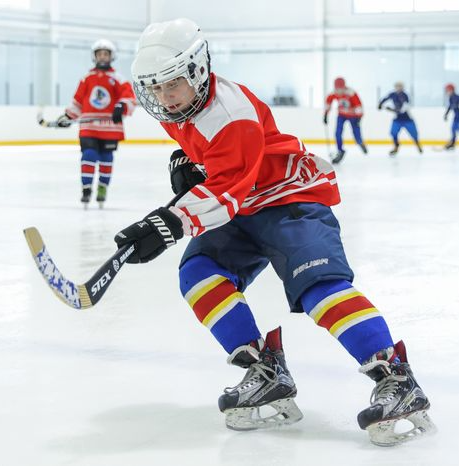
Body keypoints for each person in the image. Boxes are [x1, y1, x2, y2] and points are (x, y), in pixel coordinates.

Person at [114, 18, 435, 446]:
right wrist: (191, 164)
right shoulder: (181, 105)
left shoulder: (231, 114)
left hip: (290, 200)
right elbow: (225, 171)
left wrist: (168, 222)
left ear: (196, 71)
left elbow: (227, 189)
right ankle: (265, 371)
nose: (163, 97)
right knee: (199, 274)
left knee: (318, 288)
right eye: (154, 88)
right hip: (246, 202)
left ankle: (396, 376)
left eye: (171, 84)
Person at [49, 39, 135, 208]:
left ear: (111, 56)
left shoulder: (118, 78)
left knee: (106, 158)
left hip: (110, 127)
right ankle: (86, 189)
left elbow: (129, 97)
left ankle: (102, 188)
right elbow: (78, 102)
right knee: (88, 155)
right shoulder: (86, 78)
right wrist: (68, 116)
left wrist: (121, 106)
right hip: (89, 126)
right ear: (94, 56)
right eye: (99, 53)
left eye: (106, 53)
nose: (102, 57)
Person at [323, 77, 367, 164]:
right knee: (338, 133)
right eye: (337, 89)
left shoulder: (351, 93)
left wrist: (359, 117)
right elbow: (328, 102)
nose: (339, 91)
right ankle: (340, 151)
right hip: (341, 115)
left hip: (353, 116)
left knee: (356, 133)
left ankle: (360, 142)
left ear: (344, 87)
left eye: (341, 89)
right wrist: (325, 114)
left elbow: (359, 105)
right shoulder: (333, 93)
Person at [378, 82, 422, 156]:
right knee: (393, 132)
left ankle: (418, 145)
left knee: (414, 134)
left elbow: (403, 109)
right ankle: (396, 147)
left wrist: (391, 109)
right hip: (397, 119)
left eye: (400, 86)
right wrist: (380, 104)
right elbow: (385, 99)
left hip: (407, 118)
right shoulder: (393, 94)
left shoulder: (405, 96)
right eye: (397, 86)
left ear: (402, 87)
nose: (398, 88)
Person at [444, 83, 459, 150]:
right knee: (453, 129)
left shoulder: (458, 97)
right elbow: (450, 107)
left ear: (451, 90)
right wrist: (446, 114)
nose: (447, 92)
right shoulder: (451, 98)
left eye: (447, 90)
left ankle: (452, 143)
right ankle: (452, 143)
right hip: (456, 118)